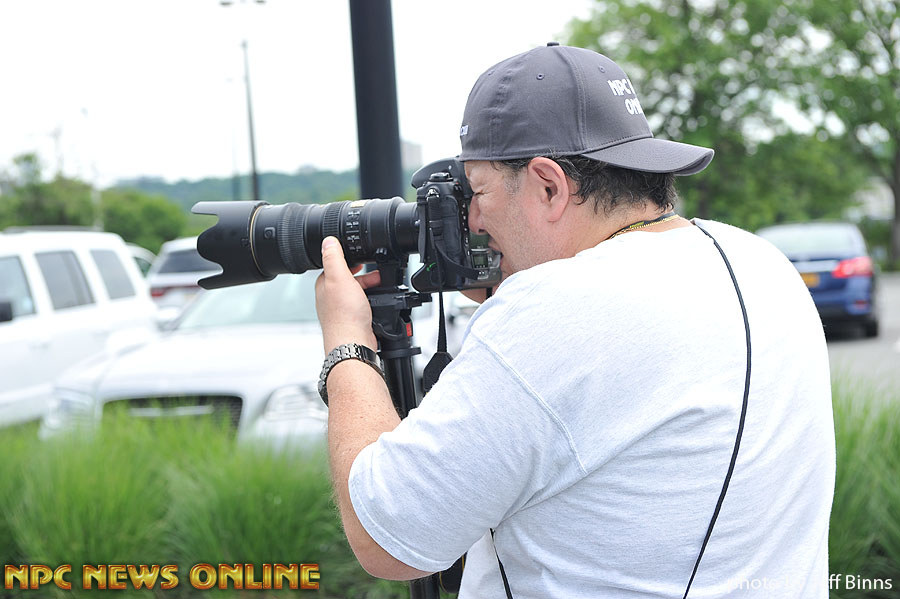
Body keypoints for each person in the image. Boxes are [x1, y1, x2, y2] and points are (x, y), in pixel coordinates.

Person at [315, 44, 835, 598]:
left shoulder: (550, 314)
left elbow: (386, 536)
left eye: (479, 191)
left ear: (549, 186)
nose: (473, 219)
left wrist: (348, 342)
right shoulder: (759, 262)